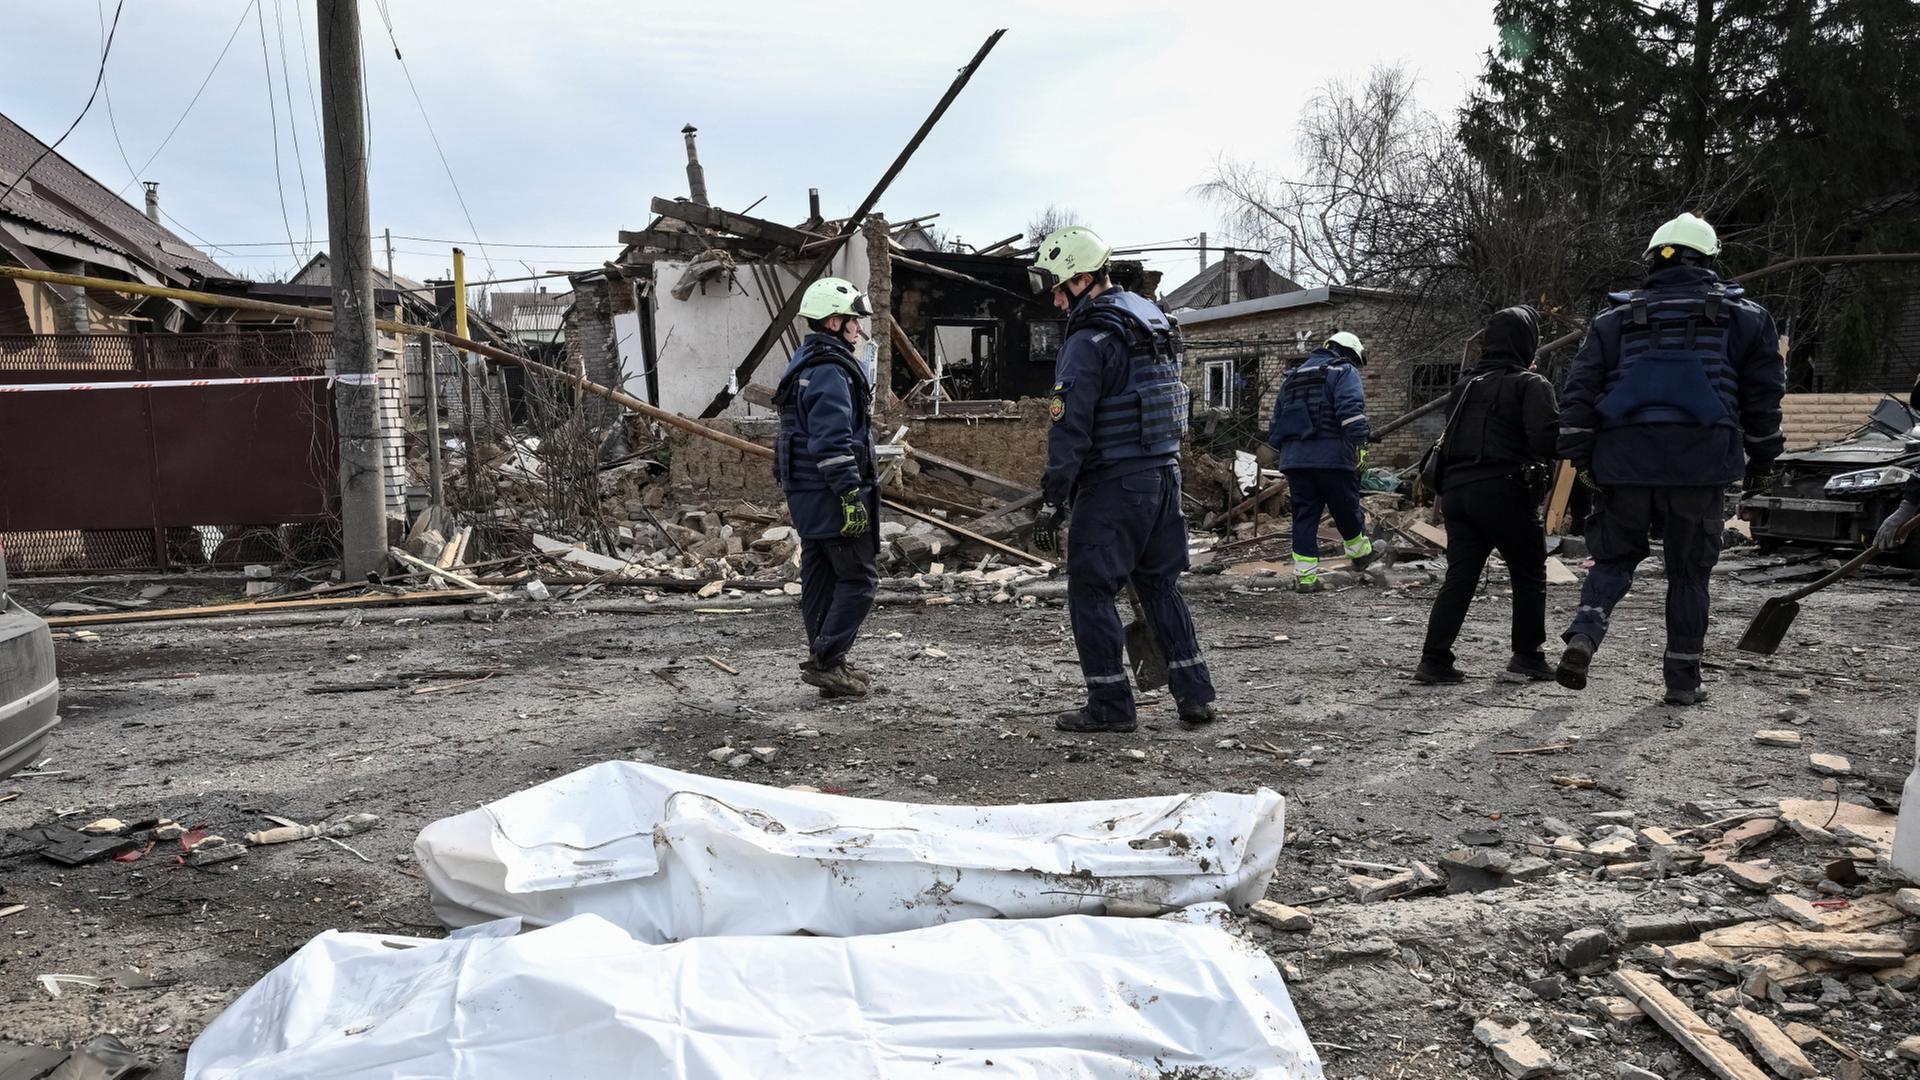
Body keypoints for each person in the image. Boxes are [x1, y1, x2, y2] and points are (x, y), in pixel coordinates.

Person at [1554, 212, 1786, 705]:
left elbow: (1579, 392)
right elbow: (1763, 396)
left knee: (1614, 558)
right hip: (1701, 461)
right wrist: (1764, 457)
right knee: (1688, 573)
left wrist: (1581, 457)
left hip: (1625, 458)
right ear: (1708, 259)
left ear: (1653, 261)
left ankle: (1584, 634)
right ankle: (1683, 681)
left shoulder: (1613, 319)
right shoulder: (1746, 317)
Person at [1027, 225, 1217, 734]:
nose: (1053, 295)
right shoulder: (1150, 322)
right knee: (1158, 585)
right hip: (1164, 474)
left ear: (1084, 279)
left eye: (1058, 283)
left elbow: (1071, 427)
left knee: (1091, 589)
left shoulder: (1090, 338)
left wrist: (1052, 498)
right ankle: (1195, 695)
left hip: (1115, 483)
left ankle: (1110, 706)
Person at [1415, 306, 1561, 684]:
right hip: (1506, 490)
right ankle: (1527, 655)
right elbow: (1546, 440)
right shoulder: (1531, 385)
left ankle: (1434, 660)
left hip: (1458, 493)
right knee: (1529, 573)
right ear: (1528, 344)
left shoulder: (1465, 386)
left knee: (1460, 577)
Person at [771, 277, 881, 699]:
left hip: (807, 492)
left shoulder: (804, 360)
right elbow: (832, 441)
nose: (859, 329)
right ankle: (827, 661)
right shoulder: (831, 369)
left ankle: (829, 660)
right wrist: (850, 494)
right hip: (828, 492)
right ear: (834, 322)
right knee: (858, 579)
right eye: (854, 322)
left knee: (821, 579)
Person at [1264, 332, 1377, 592]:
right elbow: (1351, 414)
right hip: (1332, 458)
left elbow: (1276, 425)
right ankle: (1361, 555)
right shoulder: (1343, 371)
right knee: (1346, 509)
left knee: (1304, 517)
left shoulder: (1292, 378)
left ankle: (1305, 579)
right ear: (1349, 352)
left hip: (1295, 462)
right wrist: (1361, 443)